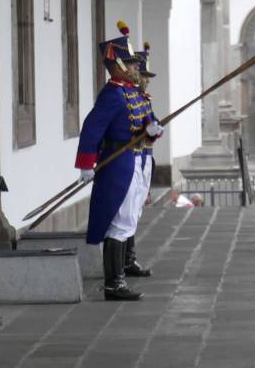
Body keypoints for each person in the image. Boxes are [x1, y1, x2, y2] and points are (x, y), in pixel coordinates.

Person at [75, 21, 164, 301]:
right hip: (118, 164)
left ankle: (121, 274)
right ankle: (114, 283)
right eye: (130, 63)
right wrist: (85, 165)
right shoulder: (112, 94)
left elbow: (146, 122)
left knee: (129, 217)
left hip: (134, 161)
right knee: (120, 221)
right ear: (117, 65)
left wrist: (153, 129)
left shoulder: (131, 92)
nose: (136, 67)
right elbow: (92, 128)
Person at [122, 42, 159, 278]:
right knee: (127, 212)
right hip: (132, 158)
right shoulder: (127, 96)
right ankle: (125, 261)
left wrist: (155, 129)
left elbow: (153, 124)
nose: (145, 80)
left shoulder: (143, 98)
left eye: (145, 75)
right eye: (142, 74)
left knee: (135, 212)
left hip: (144, 157)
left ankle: (129, 258)